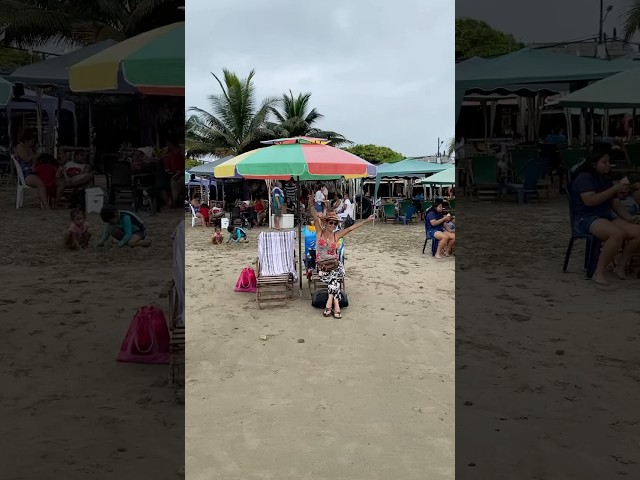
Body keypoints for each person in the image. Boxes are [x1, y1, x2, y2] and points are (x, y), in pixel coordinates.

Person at [571, 150, 640, 284]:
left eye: (609, 162)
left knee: (638, 232)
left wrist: (629, 218)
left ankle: (621, 265)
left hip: (605, 217)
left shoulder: (604, 179)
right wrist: (614, 189)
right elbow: (589, 201)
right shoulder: (584, 178)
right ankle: (599, 272)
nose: (608, 165)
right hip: (586, 218)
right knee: (616, 234)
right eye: (604, 162)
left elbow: (615, 204)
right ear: (593, 164)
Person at [308, 196, 375, 319]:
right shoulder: (319, 232)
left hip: (335, 266)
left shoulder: (337, 235)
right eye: (331, 223)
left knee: (337, 274)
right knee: (336, 280)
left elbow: (350, 228)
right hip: (322, 267)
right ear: (326, 223)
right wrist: (312, 205)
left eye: (335, 223)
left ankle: (330, 303)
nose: (333, 225)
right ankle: (336, 304)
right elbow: (314, 217)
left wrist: (365, 221)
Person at [13, 130, 49, 209]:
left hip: (32, 170)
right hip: (26, 173)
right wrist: (36, 156)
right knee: (40, 183)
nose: (32, 144)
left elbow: (33, 161)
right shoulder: (20, 147)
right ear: (26, 140)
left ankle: (49, 203)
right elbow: (26, 159)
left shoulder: (29, 148)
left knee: (48, 177)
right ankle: (46, 206)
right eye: (31, 142)